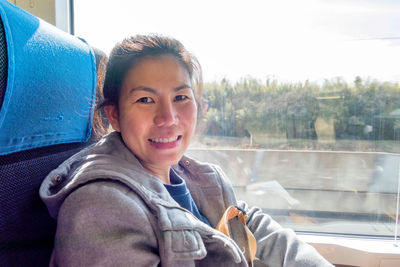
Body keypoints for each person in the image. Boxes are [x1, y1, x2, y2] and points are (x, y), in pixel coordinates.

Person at [40, 34, 333, 267]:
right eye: (145, 100)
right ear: (114, 115)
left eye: (180, 96)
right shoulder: (99, 206)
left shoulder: (200, 179)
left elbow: (255, 227)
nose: (168, 118)